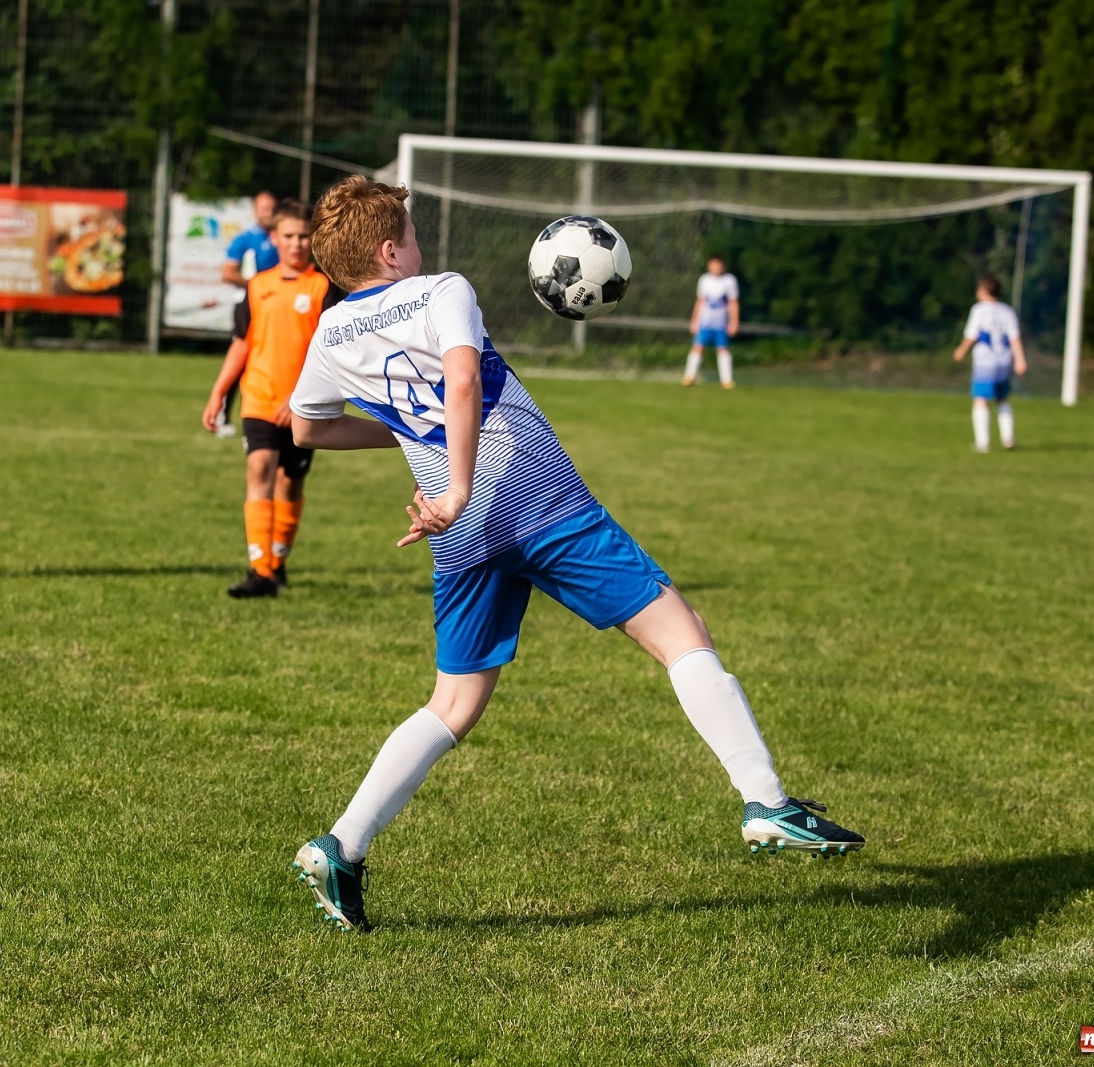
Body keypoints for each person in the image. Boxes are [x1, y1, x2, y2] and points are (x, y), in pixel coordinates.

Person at [286, 177, 863, 932]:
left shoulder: (330, 335)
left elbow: (308, 431)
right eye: (413, 236)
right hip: (538, 500)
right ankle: (765, 799)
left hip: (460, 535)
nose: (423, 248)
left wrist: (417, 448)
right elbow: (461, 381)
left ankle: (342, 845)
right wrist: (458, 481)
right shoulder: (439, 290)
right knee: (677, 628)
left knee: (453, 704)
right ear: (391, 251)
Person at [202, 199, 342, 599]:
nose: (297, 244)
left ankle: (277, 562)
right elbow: (242, 345)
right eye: (289, 236)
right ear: (274, 238)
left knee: (290, 484)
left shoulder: (324, 287)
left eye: (303, 236)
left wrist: (303, 397)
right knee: (260, 470)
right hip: (260, 400)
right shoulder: (257, 286)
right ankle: (260, 570)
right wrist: (218, 395)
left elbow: (330, 351)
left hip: (304, 406)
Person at [213, 190, 281, 439]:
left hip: (276, 308)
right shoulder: (244, 240)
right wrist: (255, 285)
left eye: (272, 208)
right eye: (264, 208)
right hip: (249, 307)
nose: (268, 213)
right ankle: (222, 415)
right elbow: (227, 273)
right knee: (240, 360)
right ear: (255, 210)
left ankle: (263, 421)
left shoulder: (280, 239)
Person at [953, 275, 1027, 453]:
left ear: (984, 291)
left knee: (980, 400)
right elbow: (1014, 338)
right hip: (1004, 360)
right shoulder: (1007, 311)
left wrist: (961, 350)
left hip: (985, 361)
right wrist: (1020, 359)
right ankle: (1008, 437)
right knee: (1002, 399)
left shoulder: (979, 310)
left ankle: (983, 442)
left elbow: (972, 335)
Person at [683, 256, 740, 389]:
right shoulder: (704, 280)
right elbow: (700, 301)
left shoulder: (729, 281)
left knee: (723, 349)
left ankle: (726, 380)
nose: (716, 267)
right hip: (705, 322)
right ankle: (689, 377)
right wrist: (694, 320)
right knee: (698, 347)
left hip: (720, 323)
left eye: (719, 265)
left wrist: (734, 322)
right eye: (713, 265)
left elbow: (733, 303)